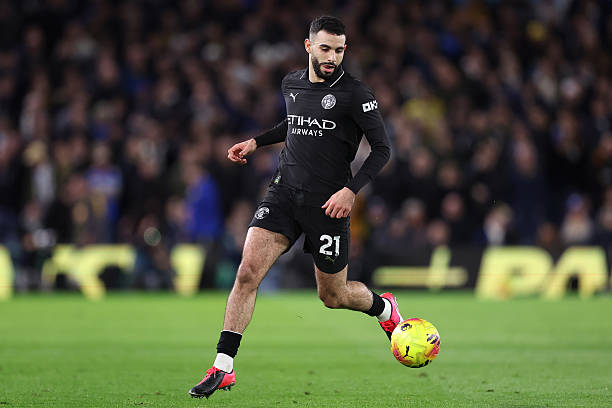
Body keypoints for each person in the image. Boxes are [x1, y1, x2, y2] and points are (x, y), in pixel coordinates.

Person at [189, 15, 404, 399]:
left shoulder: (357, 94)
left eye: (339, 50)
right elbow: (294, 123)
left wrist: (350, 191)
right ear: (308, 46)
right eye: (325, 48)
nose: (332, 57)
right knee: (246, 273)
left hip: (329, 205)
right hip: (284, 194)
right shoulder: (291, 83)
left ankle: (384, 309)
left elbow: (383, 149)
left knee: (333, 296)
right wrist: (256, 142)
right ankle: (223, 365)